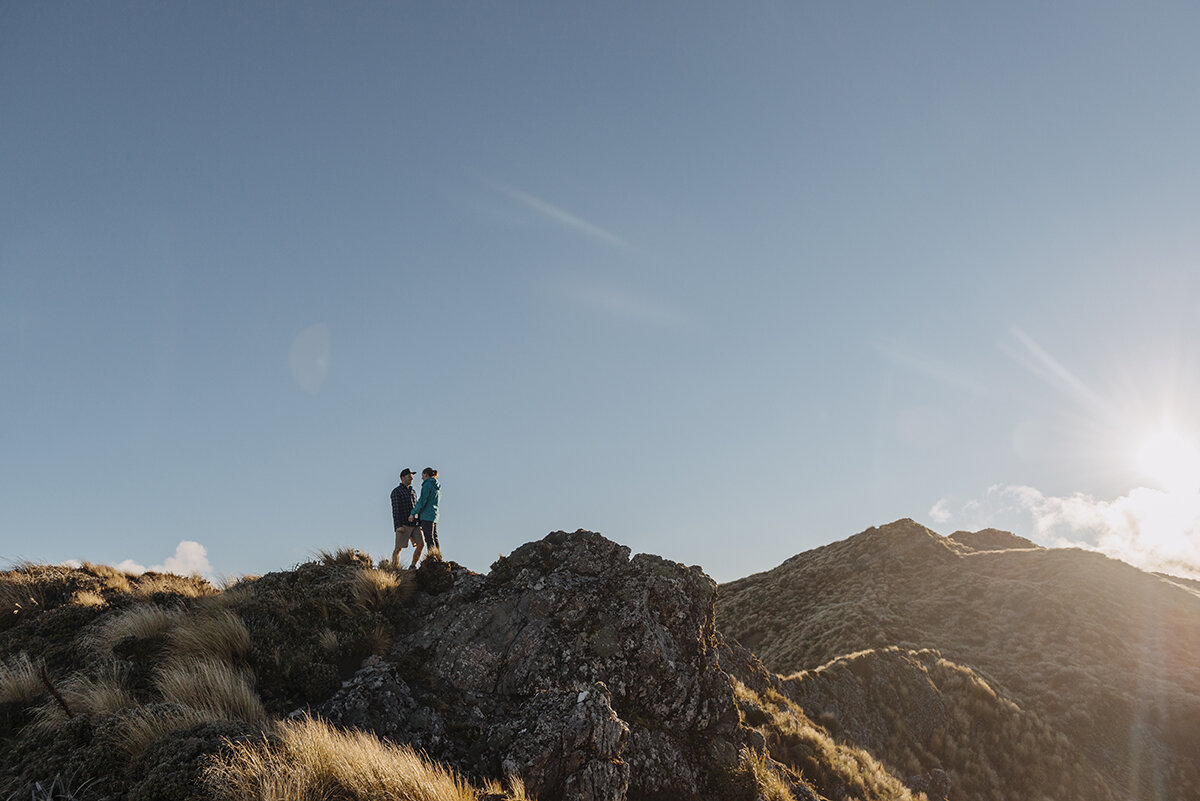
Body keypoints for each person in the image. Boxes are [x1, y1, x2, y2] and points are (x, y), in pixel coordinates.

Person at [390, 468, 421, 568]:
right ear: (402, 478)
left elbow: (416, 507)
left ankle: (413, 565)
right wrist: (398, 526)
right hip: (403, 524)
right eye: (409, 477)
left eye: (412, 477)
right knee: (398, 548)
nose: (411, 479)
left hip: (415, 524)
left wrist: (419, 522)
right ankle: (395, 568)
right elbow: (395, 509)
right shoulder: (396, 492)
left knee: (421, 544)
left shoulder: (413, 491)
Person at [409, 467, 441, 558]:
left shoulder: (427, 485)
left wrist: (413, 512)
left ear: (426, 475)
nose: (422, 478)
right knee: (434, 536)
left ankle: (432, 557)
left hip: (426, 515)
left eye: (422, 476)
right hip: (434, 514)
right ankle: (437, 555)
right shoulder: (436, 486)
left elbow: (422, 501)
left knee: (429, 537)